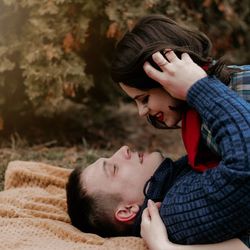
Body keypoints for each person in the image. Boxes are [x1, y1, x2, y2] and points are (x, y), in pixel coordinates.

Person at [66, 50, 250, 248]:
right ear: (127, 210)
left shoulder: (175, 183)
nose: (123, 149)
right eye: (114, 168)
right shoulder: (174, 211)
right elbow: (245, 168)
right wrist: (198, 87)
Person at [111, 14, 250, 173]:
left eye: (144, 99)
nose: (142, 112)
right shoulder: (203, 116)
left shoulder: (236, 94)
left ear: (168, 71)